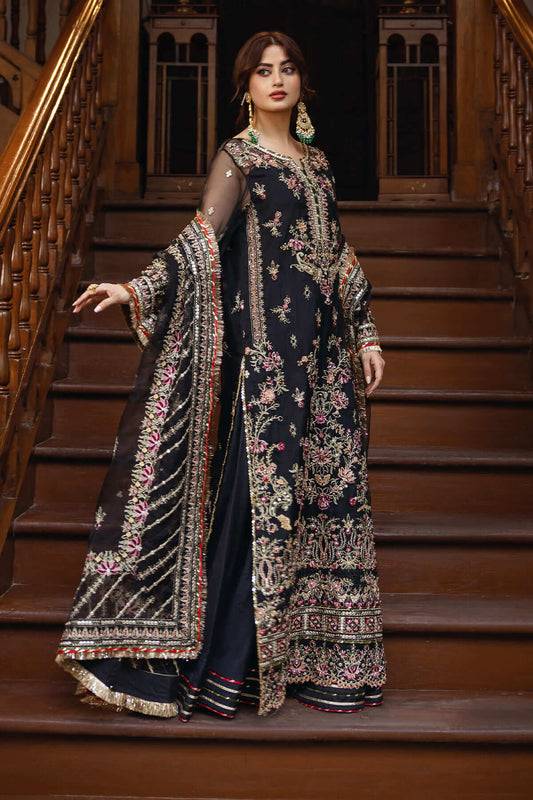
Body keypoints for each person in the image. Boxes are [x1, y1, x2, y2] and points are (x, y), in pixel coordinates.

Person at [56, 31, 386, 721]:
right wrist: (136, 289)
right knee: (253, 517)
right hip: (266, 372)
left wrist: (365, 332)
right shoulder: (238, 158)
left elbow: (338, 256)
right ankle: (226, 671)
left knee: (321, 509)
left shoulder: (319, 166)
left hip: (324, 372)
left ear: (301, 83)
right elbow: (201, 240)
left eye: (287, 69)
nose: (276, 80)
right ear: (244, 85)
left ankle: (322, 667)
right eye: (263, 71)